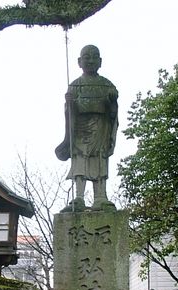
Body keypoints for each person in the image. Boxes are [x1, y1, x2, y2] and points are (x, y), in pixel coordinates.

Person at [55, 45, 118, 212]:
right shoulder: (74, 86)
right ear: (79, 62)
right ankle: (79, 197)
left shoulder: (107, 86)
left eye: (94, 57)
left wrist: (112, 102)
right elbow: (69, 113)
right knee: (80, 160)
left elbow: (113, 113)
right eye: (86, 57)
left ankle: (100, 197)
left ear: (100, 61)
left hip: (101, 127)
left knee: (100, 159)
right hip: (80, 130)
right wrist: (69, 104)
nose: (90, 60)